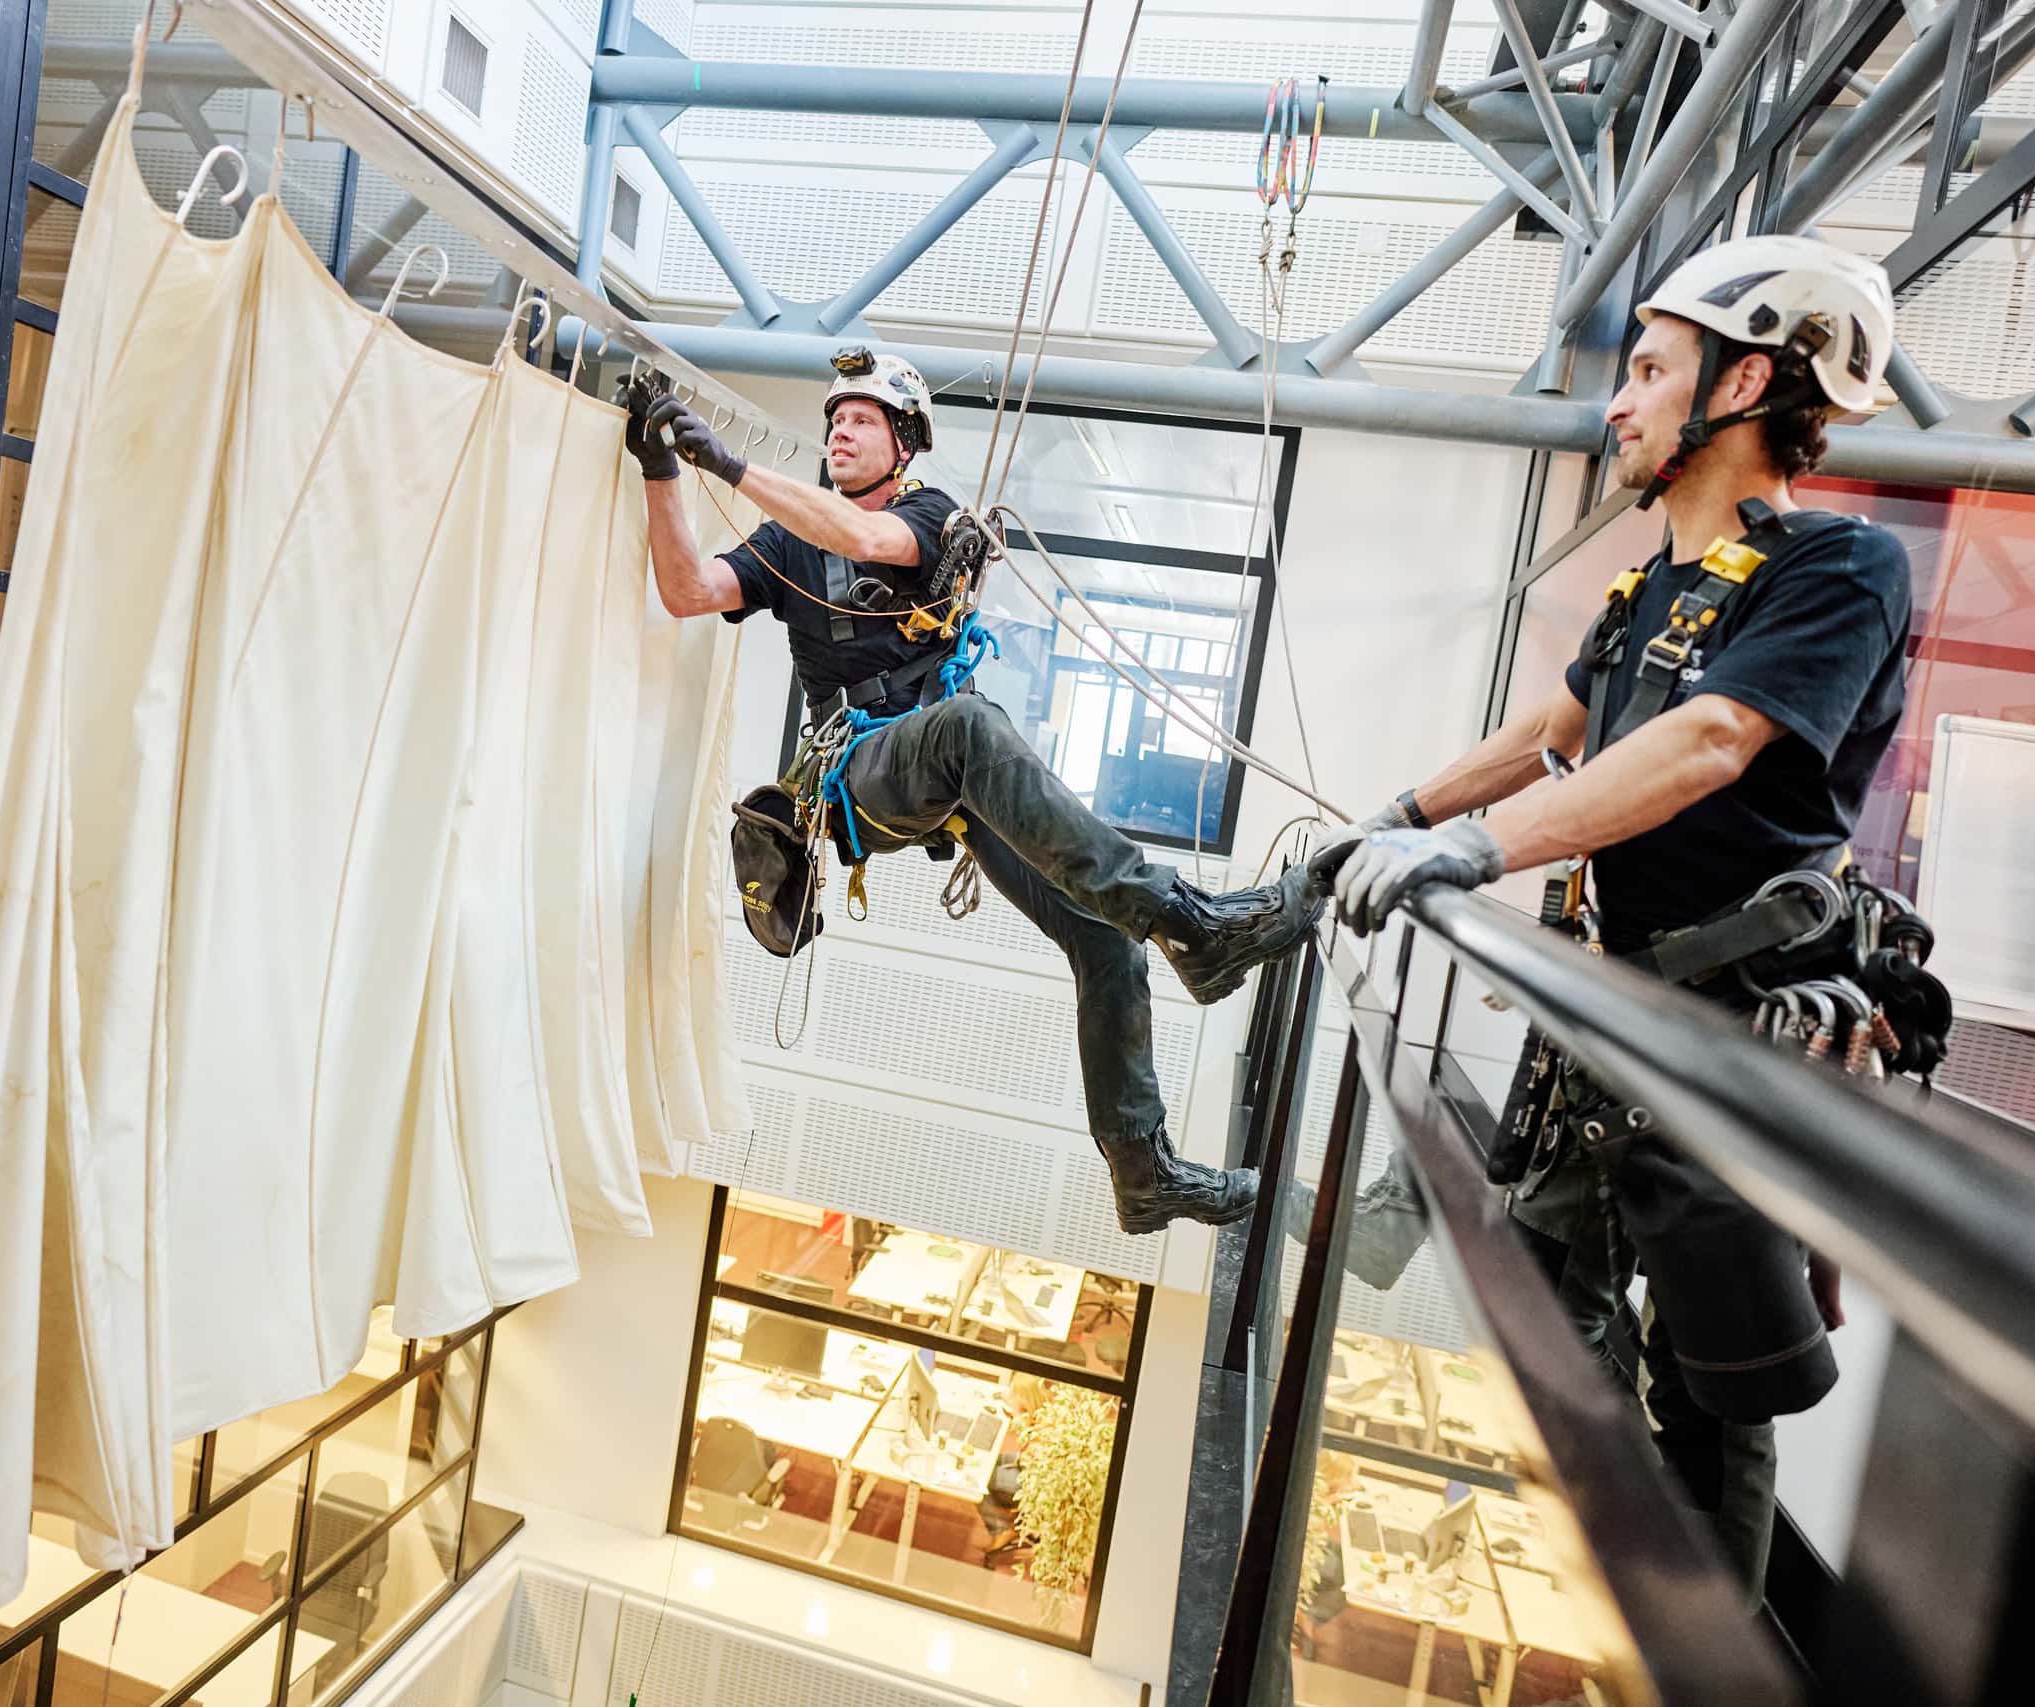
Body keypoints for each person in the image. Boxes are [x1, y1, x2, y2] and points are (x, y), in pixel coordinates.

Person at [1324, 233, 1909, 1595]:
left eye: (1649, 370)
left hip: (1731, 1034)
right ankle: (1613, 1587)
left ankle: (1715, 1649)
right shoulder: (1651, 587)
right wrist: (1396, 816)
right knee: (1545, 1325)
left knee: (1713, 1391)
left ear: (1743, 381)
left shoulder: (1836, 568)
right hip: (1611, 1019)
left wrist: (1470, 849)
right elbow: (1553, 731)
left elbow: (1712, 740)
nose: (1618, 402)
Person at [625, 347, 1325, 1235]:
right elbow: (687, 590)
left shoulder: (925, 514)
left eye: (864, 419)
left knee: (1109, 940)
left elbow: (867, 540)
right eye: (835, 418)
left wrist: (728, 463)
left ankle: (1143, 1171)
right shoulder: (784, 540)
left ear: (904, 444)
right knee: (968, 725)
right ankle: (1193, 924)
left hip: (948, 781)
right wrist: (661, 471)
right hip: (858, 773)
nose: (841, 429)